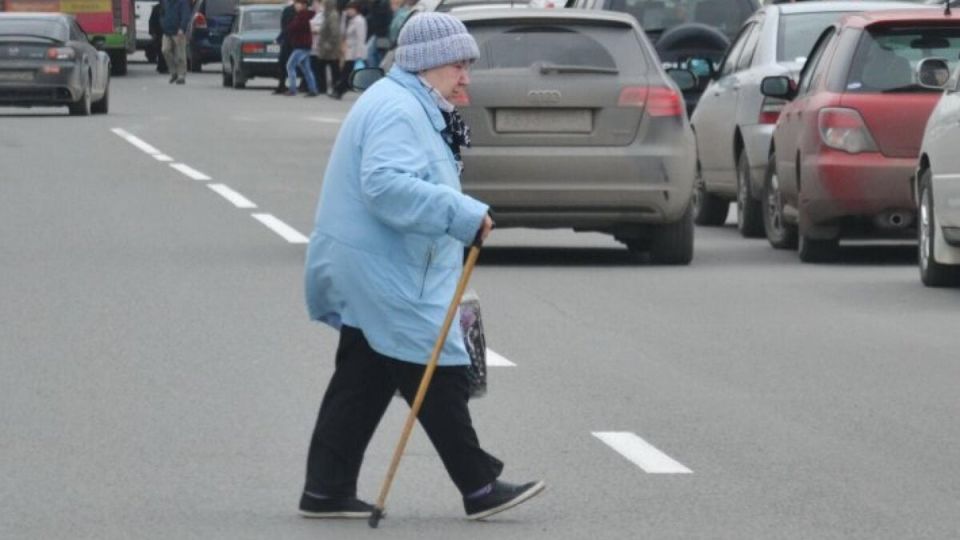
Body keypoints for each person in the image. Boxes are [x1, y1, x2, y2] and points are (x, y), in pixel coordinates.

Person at [300, 11, 546, 521]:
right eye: (459, 65)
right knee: (438, 368)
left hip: (376, 260)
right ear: (428, 64)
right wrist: (462, 214)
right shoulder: (399, 109)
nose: (466, 77)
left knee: (364, 374)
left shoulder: (407, 102)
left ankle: (326, 489)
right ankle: (478, 486)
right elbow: (385, 185)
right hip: (385, 267)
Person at [332, 0, 366, 99]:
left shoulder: (359, 21)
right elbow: (343, 32)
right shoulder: (350, 20)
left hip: (354, 51)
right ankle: (339, 90)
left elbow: (361, 38)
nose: (349, 11)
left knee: (346, 73)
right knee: (346, 72)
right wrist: (343, 18)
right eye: (348, 9)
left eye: (351, 9)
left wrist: (359, 54)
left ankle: (339, 91)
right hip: (348, 50)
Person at [285, 0, 320, 96]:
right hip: (304, 44)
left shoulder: (303, 16)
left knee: (290, 66)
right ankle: (313, 89)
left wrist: (290, 27)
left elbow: (295, 27)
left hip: (302, 45)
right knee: (306, 69)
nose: (296, 6)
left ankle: (292, 89)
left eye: (298, 4)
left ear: (304, 5)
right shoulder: (303, 15)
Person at [310, 0, 341, 95]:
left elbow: (335, 31)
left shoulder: (333, 15)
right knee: (324, 67)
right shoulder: (328, 15)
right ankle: (324, 87)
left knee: (331, 67)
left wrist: (330, 43)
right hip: (325, 47)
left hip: (330, 48)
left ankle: (334, 87)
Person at [159, 0, 191, 84]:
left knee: (180, 55)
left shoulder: (183, 2)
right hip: (167, 32)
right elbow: (161, 13)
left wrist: (182, 28)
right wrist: (163, 23)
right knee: (165, 50)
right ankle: (174, 72)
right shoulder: (165, 2)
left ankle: (181, 75)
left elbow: (186, 16)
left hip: (178, 32)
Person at [148, 1, 168, 74]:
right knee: (160, 50)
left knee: (166, 50)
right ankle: (161, 66)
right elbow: (151, 21)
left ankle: (165, 66)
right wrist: (152, 32)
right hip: (159, 33)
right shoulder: (156, 9)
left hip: (168, 32)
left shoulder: (170, 8)